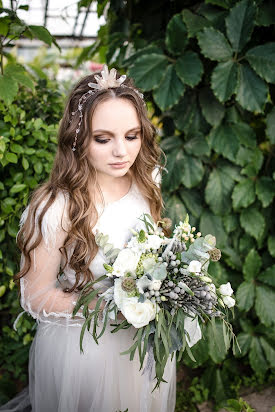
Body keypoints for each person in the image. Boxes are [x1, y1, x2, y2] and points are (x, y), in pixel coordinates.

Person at [0, 65, 177, 412]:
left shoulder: (147, 183)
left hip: (141, 347)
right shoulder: (56, 207)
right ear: (77, 137)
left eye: (132, 135)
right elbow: (35, 296)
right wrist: (108, 309)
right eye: (103, 138)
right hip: (85, 353)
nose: (121, 152)